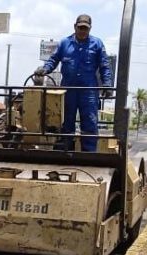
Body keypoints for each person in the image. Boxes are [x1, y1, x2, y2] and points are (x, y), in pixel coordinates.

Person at [34, 14, 112, 152]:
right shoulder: (64, 43)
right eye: (80, 28)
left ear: (90, 29)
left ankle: (89, 155)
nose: (82, 31)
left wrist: (107, 84)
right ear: (75, 27)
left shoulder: (97, 44)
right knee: (66, 122)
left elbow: (104, 66)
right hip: (68, 90)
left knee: (90, 122)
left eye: (85, 28)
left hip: (88, 91)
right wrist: (45, 69)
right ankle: (65, 152)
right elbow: (53, 59)